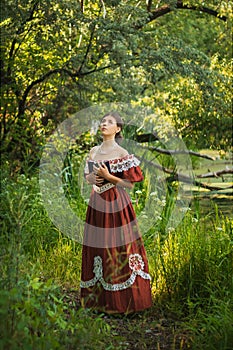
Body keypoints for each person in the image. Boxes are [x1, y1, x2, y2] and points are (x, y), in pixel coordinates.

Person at [80, 111, 152, 314]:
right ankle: (98, 302)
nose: (104, 124)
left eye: (109, 122)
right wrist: (94, 178)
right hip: (97, 203)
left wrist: (107, 176)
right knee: (99, 247)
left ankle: (123, 303)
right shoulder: (93, 151)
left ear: (118, 129)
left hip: (116, 203)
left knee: (117, 246)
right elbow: (88, 179)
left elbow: (129, 184)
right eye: (103, 121)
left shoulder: (121, 153)